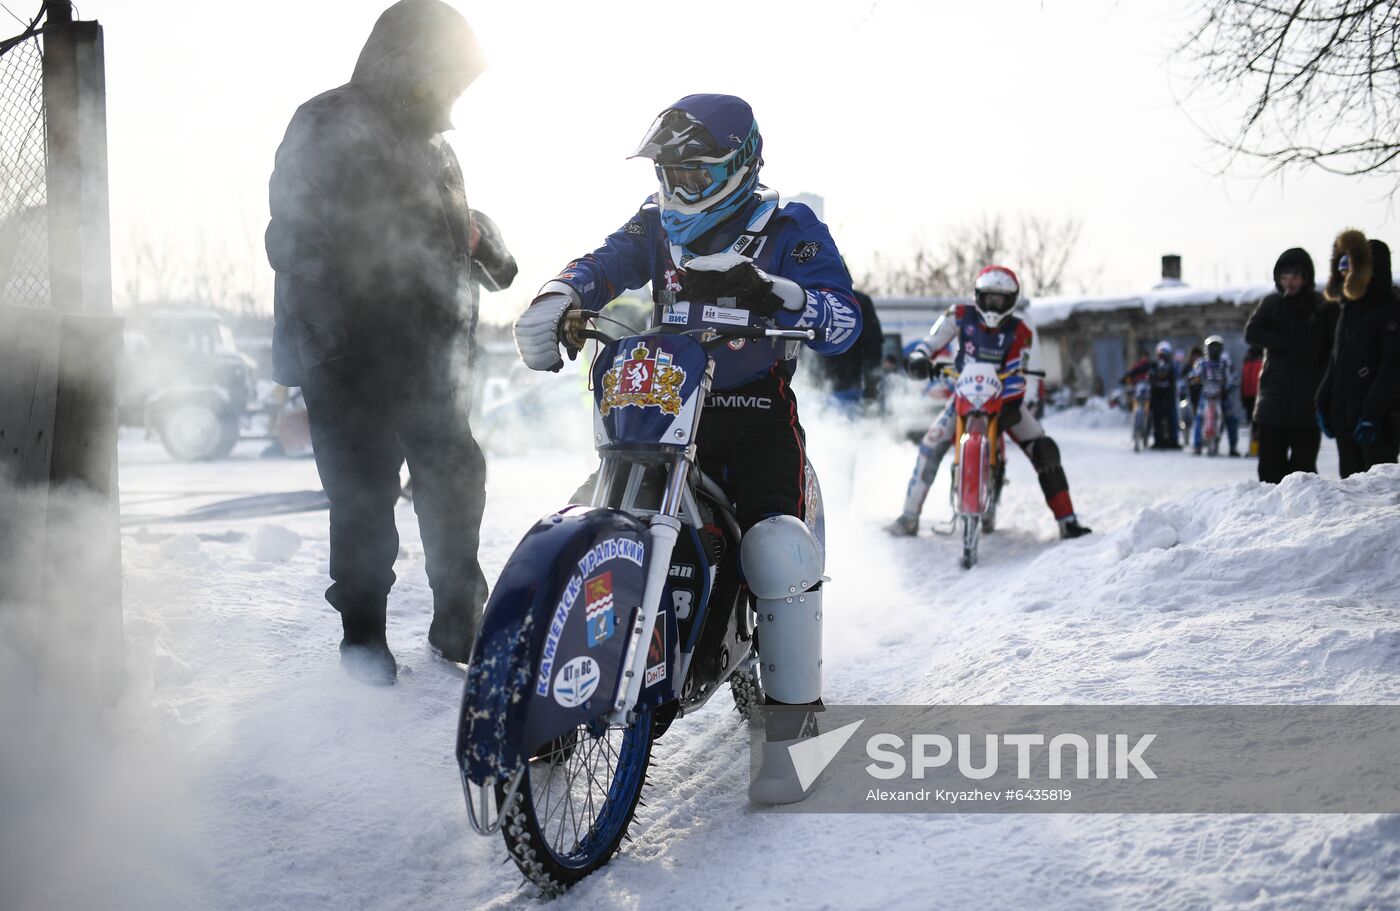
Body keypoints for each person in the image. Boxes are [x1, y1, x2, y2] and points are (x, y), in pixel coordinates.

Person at [511, 93, 860, 803]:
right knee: (585, 520)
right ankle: (554, 686)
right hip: (663, 410)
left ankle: (797, 731)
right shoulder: (655, 226)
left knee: (777, 547)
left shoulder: (790, 227)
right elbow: (604, 263)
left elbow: (846, 319)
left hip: (753, 412)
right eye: (670, 174)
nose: (678, 192)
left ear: (740, 166)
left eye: (694, 175)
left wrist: (776, 291)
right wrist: (558, 293)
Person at [264, 0, 500, 685]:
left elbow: (454, 239)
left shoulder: (438, 147)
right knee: (364, 498)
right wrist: (330, 347)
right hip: (349, 356)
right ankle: (362, 640)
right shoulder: (329, 121)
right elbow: (295, 237)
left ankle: (460, 619)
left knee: (457, 476)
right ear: (412, 63)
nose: (457, 91)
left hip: (430, 360)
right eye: (450, 74)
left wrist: (490, 248)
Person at [887, 265, 1091, 539]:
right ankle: (908, 517)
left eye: (1001, 298)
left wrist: (1015, 402)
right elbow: (931, 341)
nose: (994, 304)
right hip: (964, 395)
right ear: (978, 295)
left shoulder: (1022, 328)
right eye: (989, 297)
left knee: (1045, 449)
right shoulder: (957, 314)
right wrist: (919, 358)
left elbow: (1024, 368)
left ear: (1013, 299)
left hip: (1007, 398)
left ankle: (1068, 521)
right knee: (930, 446)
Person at [1244, 248, 1338, 483]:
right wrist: (1282, 342)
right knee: (1269, 473)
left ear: (1306, 277)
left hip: (1307, 404)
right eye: (1284, 277)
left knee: (1303, 474)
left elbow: (1332, 349)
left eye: (1295, 277)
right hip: (1272, 403)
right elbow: (1252, 332)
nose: (1290, 283)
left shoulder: (1321, 306)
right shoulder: (1272, 303)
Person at [1317, 230, 1400, 478]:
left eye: (1349, 267)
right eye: (1341, 267)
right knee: (1351, 497)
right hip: (1346, 417)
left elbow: (1392, 367)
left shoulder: (1390, 309)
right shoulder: (1348, 308)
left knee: (1378, 496)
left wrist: (1373, 413)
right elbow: (1338, 359)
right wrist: (1322, 400)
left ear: (1367, 270)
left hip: (1378, 421)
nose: (1343, 274)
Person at [1189, 335, 1241, 456]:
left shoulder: (1225, 363)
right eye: (1212, 347)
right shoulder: (1201, 363)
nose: (1214, 350)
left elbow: (1234, 377)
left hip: (1222, 393)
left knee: (1231, 418)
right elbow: (1194, 374)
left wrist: (1228, 388)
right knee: (1199, 417)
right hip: (1206, 393)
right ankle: (1197, 445)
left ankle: (1233, 447)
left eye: (1217, 347)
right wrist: (1193, 379)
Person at [1240, 346, 1263, 455]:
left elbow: (1243, 381)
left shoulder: (1247, 360)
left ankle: (1253, 449)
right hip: (1259, 396)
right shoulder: (1262, 360)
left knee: (1252, 424)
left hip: (1249, 396)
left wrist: (1243, 397)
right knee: (1259, 424)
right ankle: (1257, 449)